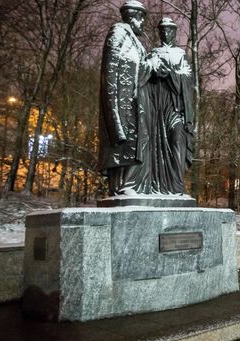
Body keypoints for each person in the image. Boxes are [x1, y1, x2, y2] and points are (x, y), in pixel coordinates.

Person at [98, 0, 153, 195]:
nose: (143, 25)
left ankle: (129, 186)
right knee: (122, 147)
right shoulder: (118, 33)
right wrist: (113, 114)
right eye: (141, 19)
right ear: (134, 17)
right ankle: (120, 188)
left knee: (136, 145)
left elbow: (141, 71)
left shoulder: (135, 42)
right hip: (122, 103)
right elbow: (110, 72)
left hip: (134, 103)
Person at [145, 18, 194, 194]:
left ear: (174, 32)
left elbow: (188, 80)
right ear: (159, 33)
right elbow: (144, 78)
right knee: (156, 146)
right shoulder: (153, 54)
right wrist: (155, 72)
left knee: (177, 139)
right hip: (157, 108)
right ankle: (158, 185)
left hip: (175, 108)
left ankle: (177, 185)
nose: (166, 34)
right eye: (163, 31)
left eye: (169, 31)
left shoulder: (181, 55)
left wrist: (170, 74)